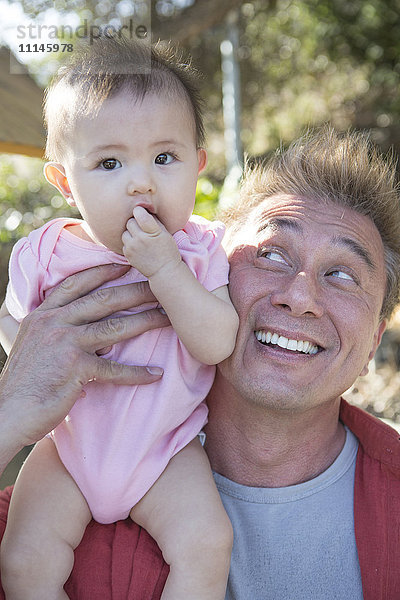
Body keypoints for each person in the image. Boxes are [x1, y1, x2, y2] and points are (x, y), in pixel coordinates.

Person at [1, 126, 399, 599]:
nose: (299, 297)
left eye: (341, 275)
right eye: (271, 255)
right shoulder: (65, 485)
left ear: (374, 341)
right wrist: (9, 412)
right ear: (212, 273)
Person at [0, 38, 238, 600]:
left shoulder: (201, 250)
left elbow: (217, 342)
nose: (141, 181)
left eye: (164, 157)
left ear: (198, 164)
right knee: (24, 558)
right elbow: (15, 332)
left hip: (167, 450)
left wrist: (165, 269)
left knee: (207, 544)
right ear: (64, 181)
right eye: (109, 162)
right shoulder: (47, 252)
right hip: (67, 448)